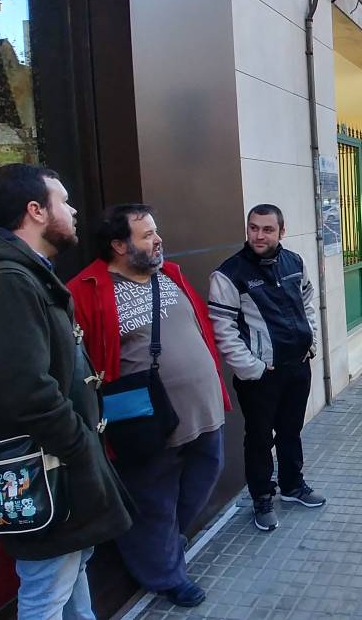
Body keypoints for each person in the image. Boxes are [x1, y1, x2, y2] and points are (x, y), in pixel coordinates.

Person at [0, 164, 133, 619]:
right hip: (46, 471)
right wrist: (80, 445)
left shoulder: (19, 273)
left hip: (55, 467)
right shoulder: (5, 281)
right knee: (47, 593)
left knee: (71, 574)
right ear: (35, 211)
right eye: (62, 201)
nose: (72, 210)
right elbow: (25, 389)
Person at [69, 204, 231, 608]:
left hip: (204, 410)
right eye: (147, 235)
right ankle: (165, 574)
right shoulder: (85, 289)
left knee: (202, 477)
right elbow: (80, 362)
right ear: (119, 245)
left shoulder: (170, 274)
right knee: (152, 500)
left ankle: (162, 547)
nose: (158, 240)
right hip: (145, 421)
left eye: (155, 232)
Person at [209, 204, 326, 533]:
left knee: (291, 431)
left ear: (281, 231)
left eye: (267, 229)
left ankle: (292, 487)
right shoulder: (228, 274)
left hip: (297, 367)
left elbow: (307, 303)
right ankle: (262, 496)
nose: (259, 235)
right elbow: (223, 329)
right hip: (261, 376)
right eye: (253, 228)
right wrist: (252, 369)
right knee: (259, 438)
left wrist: (311, 343)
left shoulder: (294, 262)